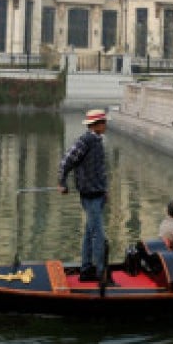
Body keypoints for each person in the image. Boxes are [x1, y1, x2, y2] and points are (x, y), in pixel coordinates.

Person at [58, 108, 108, 281]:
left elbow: (99, 170)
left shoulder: (98, 140)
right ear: (97, 125)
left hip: (98, 194)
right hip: (90, 195)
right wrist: (62, 182)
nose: (106, 125)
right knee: (99, 236)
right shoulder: (85, 141)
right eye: (104, 122)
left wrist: (105, 190)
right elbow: (66, 161)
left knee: (89, 233)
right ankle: (102, 274)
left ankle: (86, 270)